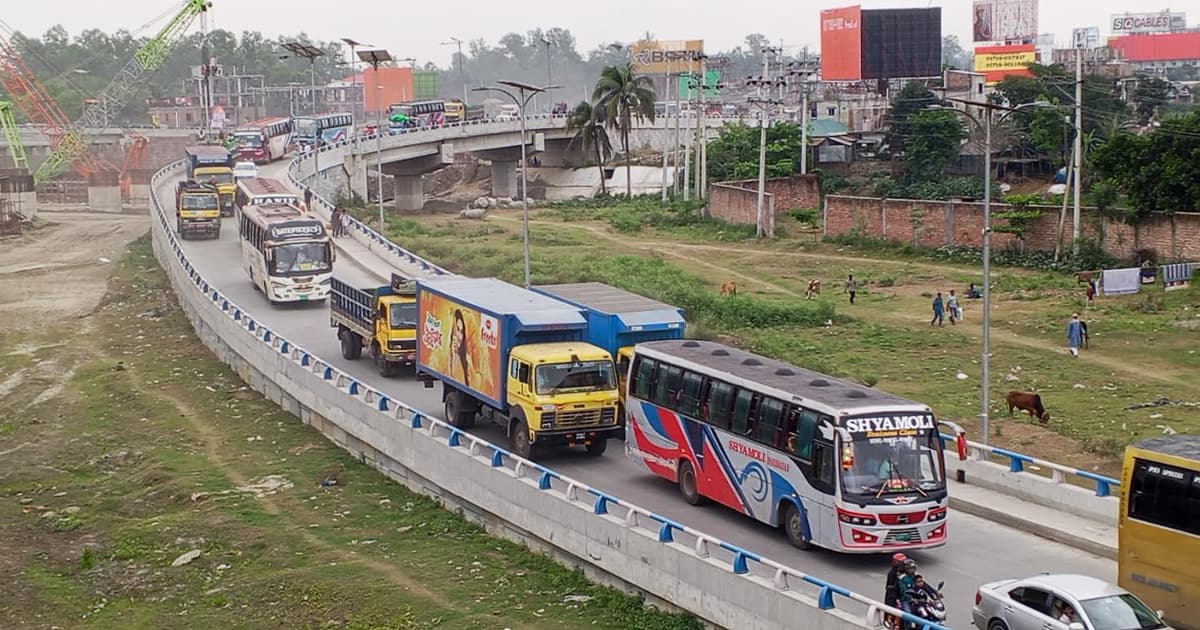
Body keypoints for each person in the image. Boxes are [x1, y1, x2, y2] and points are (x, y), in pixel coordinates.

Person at [883, 553, 908, 627]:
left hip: (901, 593)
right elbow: (891, 586)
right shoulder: (893, 573)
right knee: (890, 608)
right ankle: (888, 622)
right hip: (892, 593)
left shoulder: (904, 571)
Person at [449, 309, 471, 387]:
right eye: (458, 329)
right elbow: (452, 374)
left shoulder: (467, 359)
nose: (459, 336)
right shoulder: (452, 352)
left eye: (462, 332)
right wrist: (454, 354)